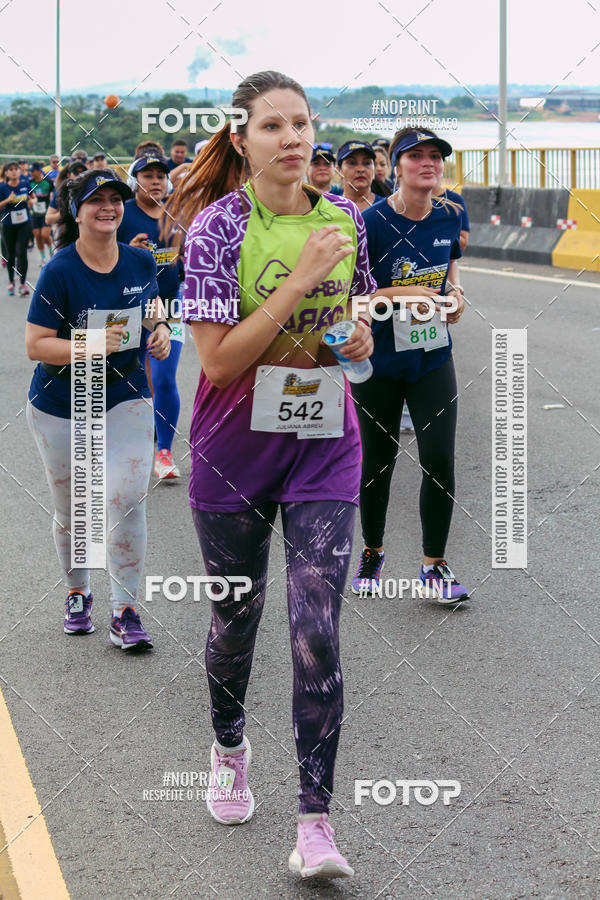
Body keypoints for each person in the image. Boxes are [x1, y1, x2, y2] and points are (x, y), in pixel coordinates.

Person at [167, 69, 375, 880]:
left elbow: (348, 320)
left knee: (317, 631)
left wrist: (355, 338)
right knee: (236, 622)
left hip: (324, 436)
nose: (294, 138)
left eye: (303, 123)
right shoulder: (217, 230)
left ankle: (316, 824)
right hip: (233, 447)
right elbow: (217, 364)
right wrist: (297, 280)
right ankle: (228, 747)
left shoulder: (345, 218)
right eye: (273, 126)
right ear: (241, 140)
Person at [25, 169, 171, 650]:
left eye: (116, 199)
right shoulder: (60, 270)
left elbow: (151, 311)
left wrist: (160, 330)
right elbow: (36, 345)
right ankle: (78, 592)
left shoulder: (140, 262)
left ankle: (125, 609)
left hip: (125, 395)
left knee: (127, 498)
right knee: (75, 509)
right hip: (61, 404)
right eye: (96, 201)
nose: (108, 207)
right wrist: (89, 343)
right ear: (76, 210)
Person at [350, 127, 469, 603]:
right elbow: (354, 294)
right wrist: (408, 293)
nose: (429, 163)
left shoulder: (449, 215)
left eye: (436, 156)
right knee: (378, 463)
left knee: (439, 457)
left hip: (432, 355)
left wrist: (456, 295)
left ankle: (433, 565)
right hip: (378, 358)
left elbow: (451, 269)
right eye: (416, 156)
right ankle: (373, 551)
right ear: (393, 166)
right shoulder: (370, 221)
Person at [117, 152, 184, 479]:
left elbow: (190, 262)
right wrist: (128, 249)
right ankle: (129, 442)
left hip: (171, 307)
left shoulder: (178, 212)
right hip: (127, 306)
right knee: (128, 379)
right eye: (147, 176)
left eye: (160, 175)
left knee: (163, 376)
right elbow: (102, 257)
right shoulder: (121, 213)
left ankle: (163, 451)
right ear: (135, 181)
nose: (155, 181)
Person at [0, 161, 32, 295]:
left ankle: (23, 284)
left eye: (16, 169)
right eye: (10, 169)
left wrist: (31, 202)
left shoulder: (25, 184)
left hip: (24, 223)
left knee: (22, 252)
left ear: (19, 171)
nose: (13, 171)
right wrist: (8, 200)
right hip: (8, 224)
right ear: (6, 172)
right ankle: (11, 281)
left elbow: (31, 199)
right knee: (10, 254)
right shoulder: (2, 187)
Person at [336, 140, 378, 212]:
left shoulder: (388, 208)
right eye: (352, 163)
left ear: (374, 170)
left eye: (367, 163)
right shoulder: (328, 209)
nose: (360, 169)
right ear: (339, 171)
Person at [28, 162, 53, 263]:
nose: (31, 173)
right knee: (37, 236)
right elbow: (27, 195)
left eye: (33, 171)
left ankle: (51, 251)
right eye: (30, 172)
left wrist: (52, 197)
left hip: (46, 213)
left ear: (39, 171)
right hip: (34, 214)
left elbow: (54, 193)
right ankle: (43, 258)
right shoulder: (30, 183)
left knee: (45, 235)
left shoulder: (48, 182)